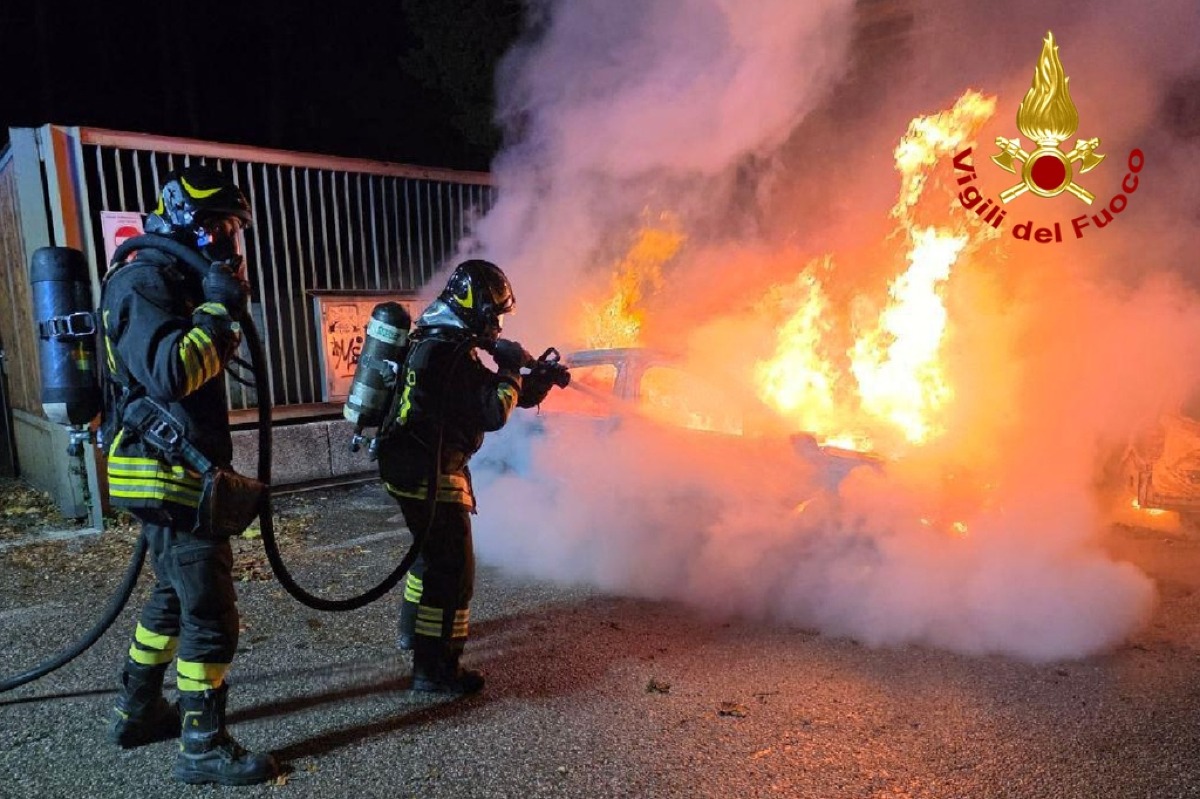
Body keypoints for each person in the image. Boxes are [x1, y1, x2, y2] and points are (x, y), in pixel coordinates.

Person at [101, 166, 278, 785]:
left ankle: (137, 709)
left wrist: (213, 307)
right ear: (182, 219)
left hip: (175, 475)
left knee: (171, 597)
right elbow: (172, 372)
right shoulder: (143, 282)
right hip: (170, 476)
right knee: (210, 612)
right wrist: (219, 313)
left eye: (233, 229)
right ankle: (202, 746)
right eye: (218, 227)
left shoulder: (169, 279)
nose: (228, 241)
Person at [377, 259, 556, 694]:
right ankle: (435, 669)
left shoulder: (442, 342)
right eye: (492, 313)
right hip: (429, 473)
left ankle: (414, 635)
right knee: (452, 571)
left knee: (429, 560)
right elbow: (493, 410)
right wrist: (512, 369)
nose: (496, 323)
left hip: (410, 466)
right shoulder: (447, 352)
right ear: (472, 304)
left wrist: (542, 379)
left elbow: (488, 395)